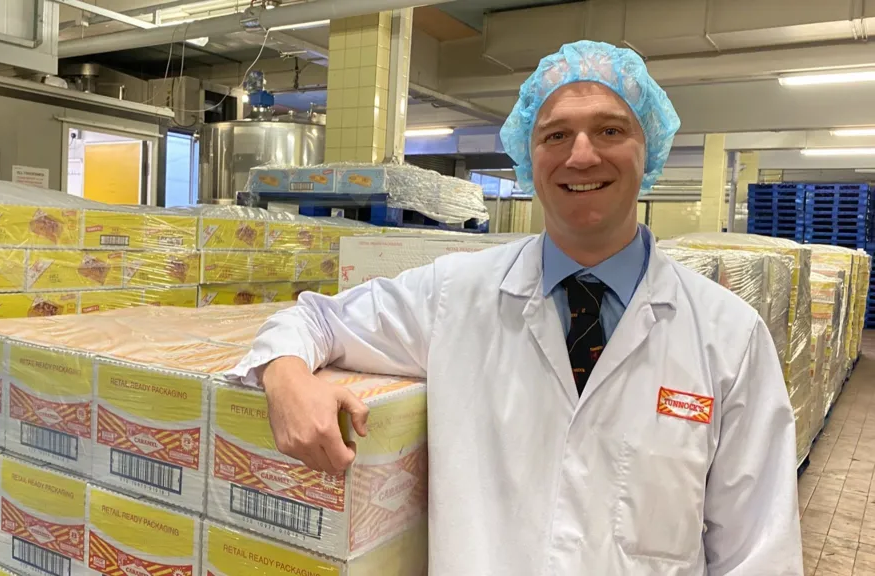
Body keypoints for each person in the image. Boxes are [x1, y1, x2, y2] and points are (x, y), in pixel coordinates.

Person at [232, 40, 804, 575]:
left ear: (646, 148)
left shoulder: (728, 337)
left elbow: (760, 551)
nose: (581, 155)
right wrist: (285, 379)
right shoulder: (454, 296)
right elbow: (313, 319)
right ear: (528, 160)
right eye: (555, 136)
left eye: (609, 129)